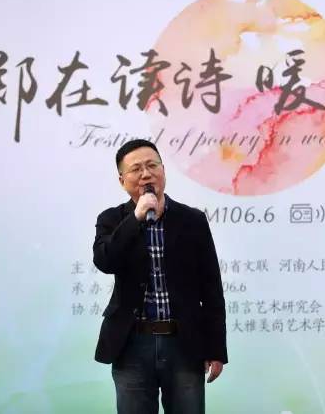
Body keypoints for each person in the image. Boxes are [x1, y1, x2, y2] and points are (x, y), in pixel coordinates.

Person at [92, 139, 227, 414]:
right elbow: (105, 261)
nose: (146, 174)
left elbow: (211, 287)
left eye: (152, 165)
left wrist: (216, 348)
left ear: (163, 170)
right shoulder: (111, 219)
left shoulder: (193, 220)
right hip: (131, 343)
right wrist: (136, 219)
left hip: (184, 343)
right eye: (136, 169)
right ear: (122, 180)